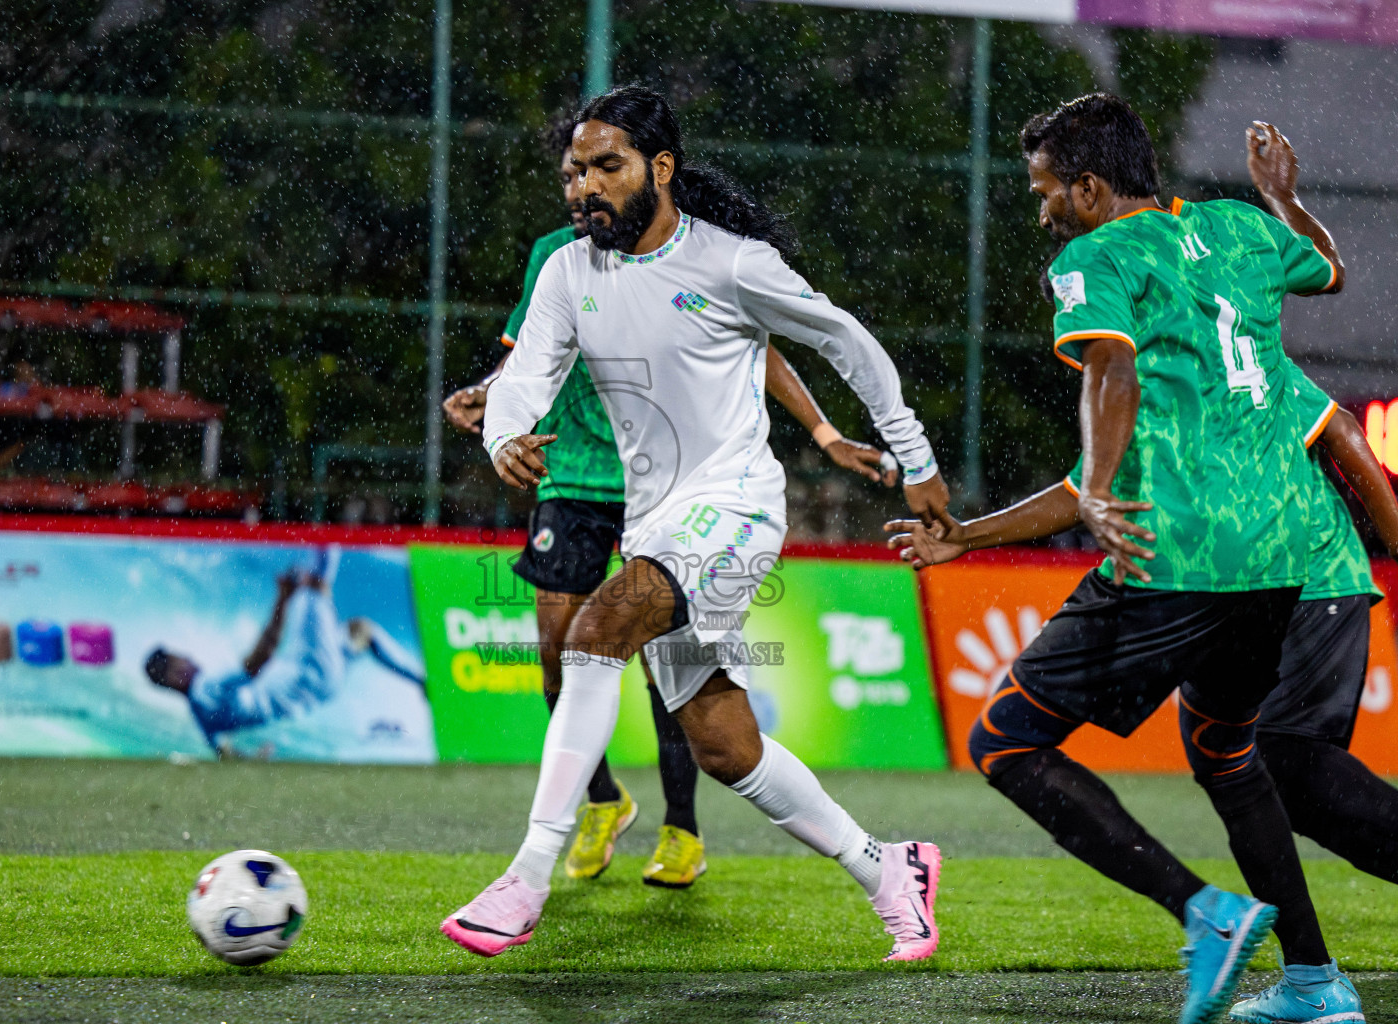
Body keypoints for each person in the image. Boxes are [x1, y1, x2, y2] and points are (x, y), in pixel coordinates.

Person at [441, 84, 949, 962]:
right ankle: (889, 867)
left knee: (595, 630)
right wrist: (504, 435)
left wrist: (916, 457)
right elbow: (527, 373)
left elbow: (846, 342)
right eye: (573, 172)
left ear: (659, 169)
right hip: (656, 523)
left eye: (606, 167)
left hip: (738, 508)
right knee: (725, 746)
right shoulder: (568, 270)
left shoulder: (733, 264)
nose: (584, 188)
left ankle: (526, 874)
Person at [887, 96, 1359, 1024]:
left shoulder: (1095, 257)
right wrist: (1282, 200)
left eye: (1048, 190)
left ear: (1092, 188)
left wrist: (1100, 488)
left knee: (1005, 742)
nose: (1044, 211)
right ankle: (1313, 982)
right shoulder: (1239, 229)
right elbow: (1332, 271)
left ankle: (1205, 914)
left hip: (1172, 553)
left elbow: (1109, 367)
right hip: (1274, 558)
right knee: (1225, 747)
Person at [147, 547, 424, 754]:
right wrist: (282, 598)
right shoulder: (205, 686)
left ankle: (423, 682)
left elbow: (224, 754)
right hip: (308, 669)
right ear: (174, 676)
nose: (189, 657)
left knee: (362, 630)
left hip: (320, 691)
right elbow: (257, 661)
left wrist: (254, 761)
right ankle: (329, 517)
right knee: (313, 585)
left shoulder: (201, 717)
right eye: (179, 658)